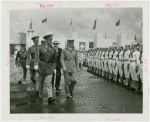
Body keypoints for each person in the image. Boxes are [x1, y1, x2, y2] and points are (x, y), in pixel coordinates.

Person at [34, 32, 56, 103]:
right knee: (41, 82)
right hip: (42, 66)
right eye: (49, 40)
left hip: (49, 67)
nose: (51, 41)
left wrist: (54, 68)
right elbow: (37, 57)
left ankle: (50, 97)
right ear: (46, 40)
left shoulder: (53, 49)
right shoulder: (40, 48)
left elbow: (54, 60)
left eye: (51, 40)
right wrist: (36, 64)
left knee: (49, 83)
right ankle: (40, 94)